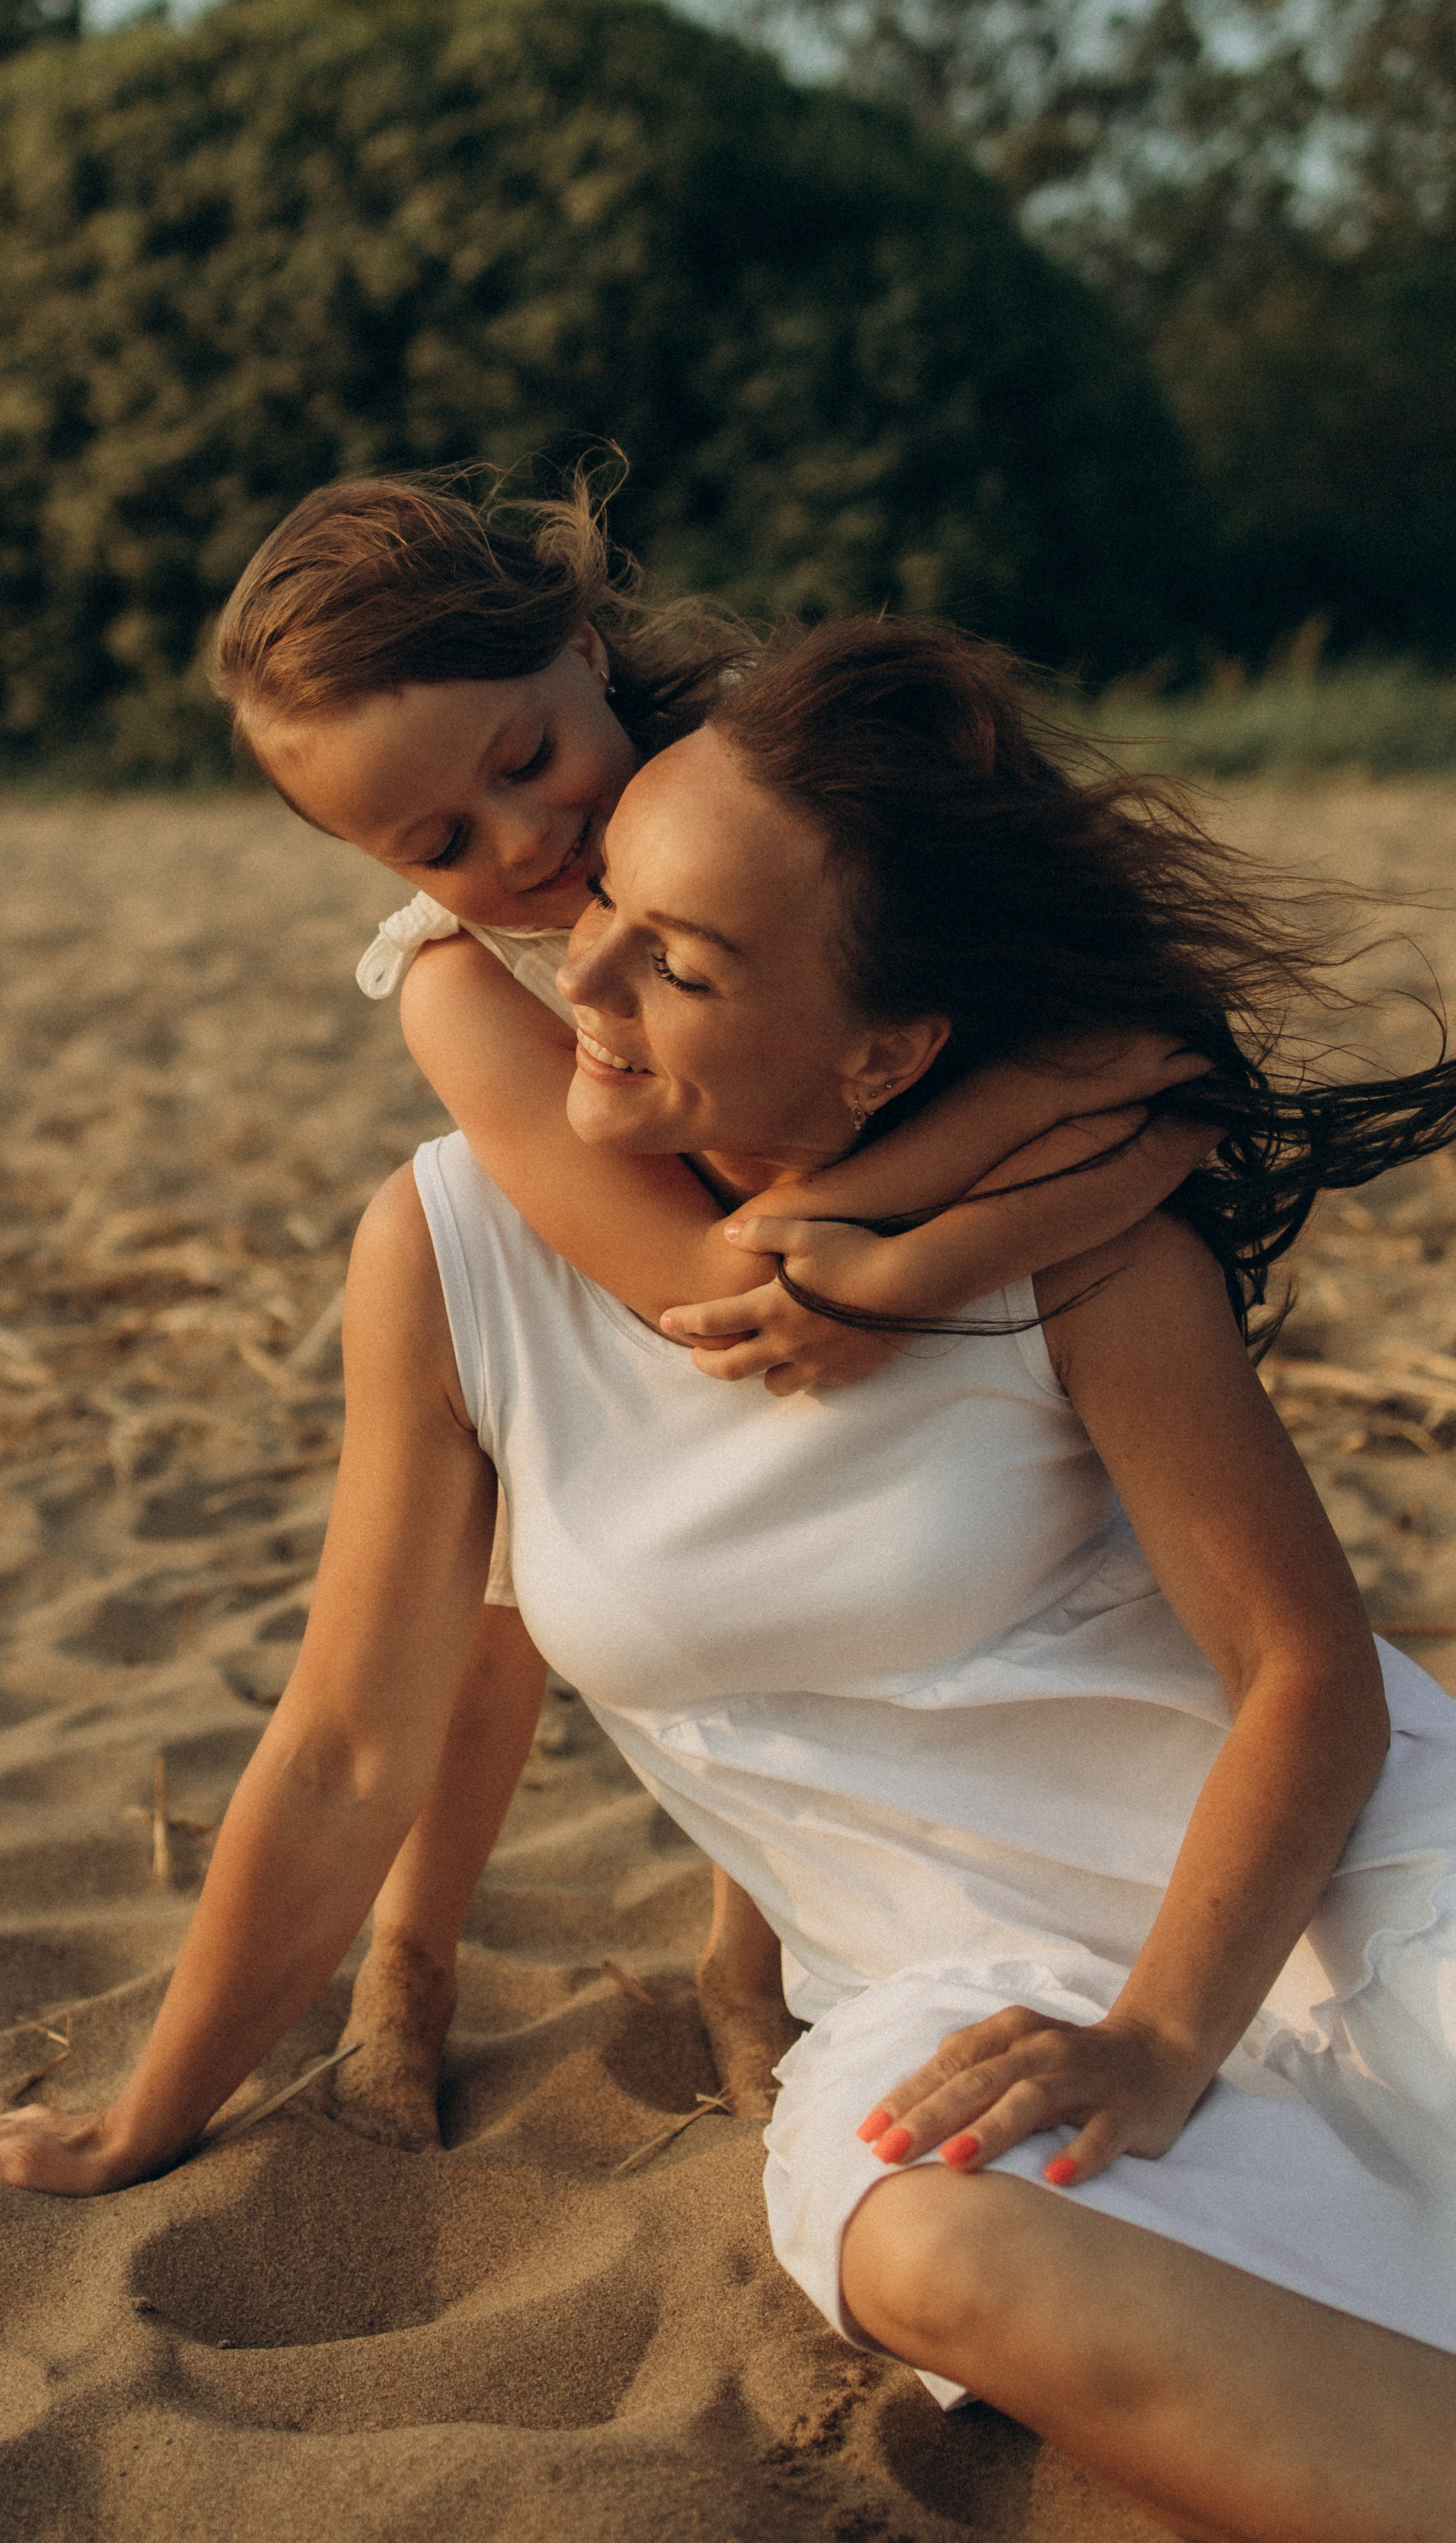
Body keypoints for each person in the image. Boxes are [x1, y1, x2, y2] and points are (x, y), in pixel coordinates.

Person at [0, 612, 1456, 2541]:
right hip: (949, 1983)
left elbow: (1307, 1674)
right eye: (590, 905)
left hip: (1329, 1898)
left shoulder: (1074, 1232)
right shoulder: (452, 1251)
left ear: (888, 1048)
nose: (572, 968)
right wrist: (141, 2113)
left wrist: (1163, 2039)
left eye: (673, 961)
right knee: (919, 2240)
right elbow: (354, 1743)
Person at [195, 470, 1214, 2142]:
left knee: (791, 1569)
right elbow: (709, 1289)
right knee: (502, 1598)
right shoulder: (460, 979)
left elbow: (1148, 1071)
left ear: (584, 649)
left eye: (524, 762)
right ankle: (409, 1958)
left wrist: (913, 1268)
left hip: (866, 1227)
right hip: (635, 1258)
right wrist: (897, 1249)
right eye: (435, 842)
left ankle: (751, 1958)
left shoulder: (785, 796)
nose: (519, 844)